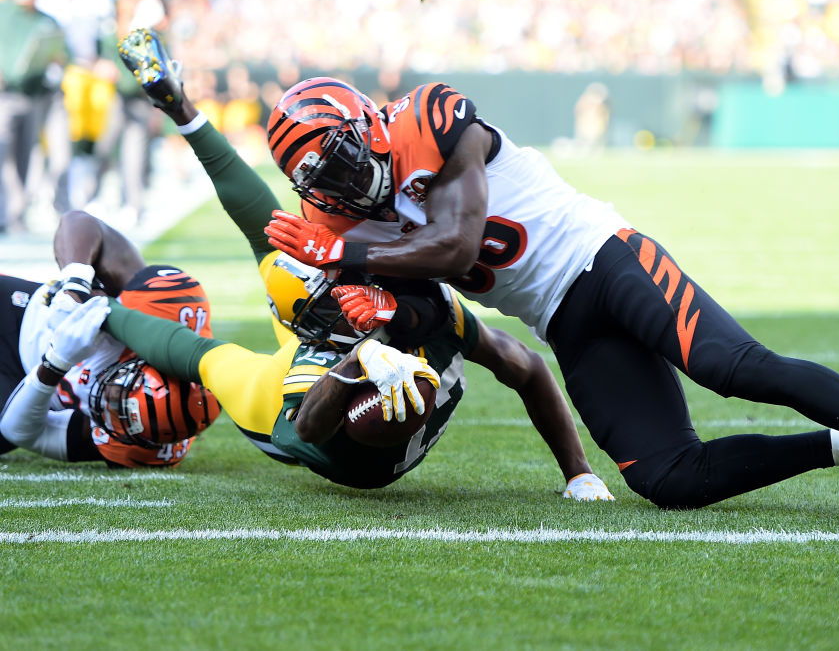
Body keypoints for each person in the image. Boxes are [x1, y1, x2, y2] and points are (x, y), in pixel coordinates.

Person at [262, 74, 839, 518]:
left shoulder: (428, 117)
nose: (338, 185)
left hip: (603, 257)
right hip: (561, 318)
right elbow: (432, 304)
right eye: (317, 181)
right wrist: (388, 312)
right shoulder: (346, 225)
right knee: (668, 478)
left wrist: (344, 251)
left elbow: (455, 243)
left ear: (365, 123)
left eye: (340, 158)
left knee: (728, 364)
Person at [93, 28, 613, 499]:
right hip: (325, 359)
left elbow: (310, 429)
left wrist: (579, 471)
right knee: (274, 251)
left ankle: (95, 312)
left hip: (344, 445)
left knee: (216, 359)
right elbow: (260, 219)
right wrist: (183, 109)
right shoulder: (332, 297)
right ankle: (98, 305)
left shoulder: (425, 320)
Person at [0, 214, 220, 467]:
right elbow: (78, 222)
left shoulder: (144, 440)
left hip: (17, 389)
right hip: (17, 313)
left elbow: (17, 431)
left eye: (123, 418)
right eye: (120, 399)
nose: (110, 409)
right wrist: (75, 287)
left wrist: (55, 362)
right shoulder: (160, 311)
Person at [0, 0, 69, 232]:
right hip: (4, 95)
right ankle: (6, 215)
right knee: (2, 155)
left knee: (23, 158)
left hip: (33, 95)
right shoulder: (3, 13)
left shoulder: (45, 20)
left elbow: (64, 53)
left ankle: (15, 214)